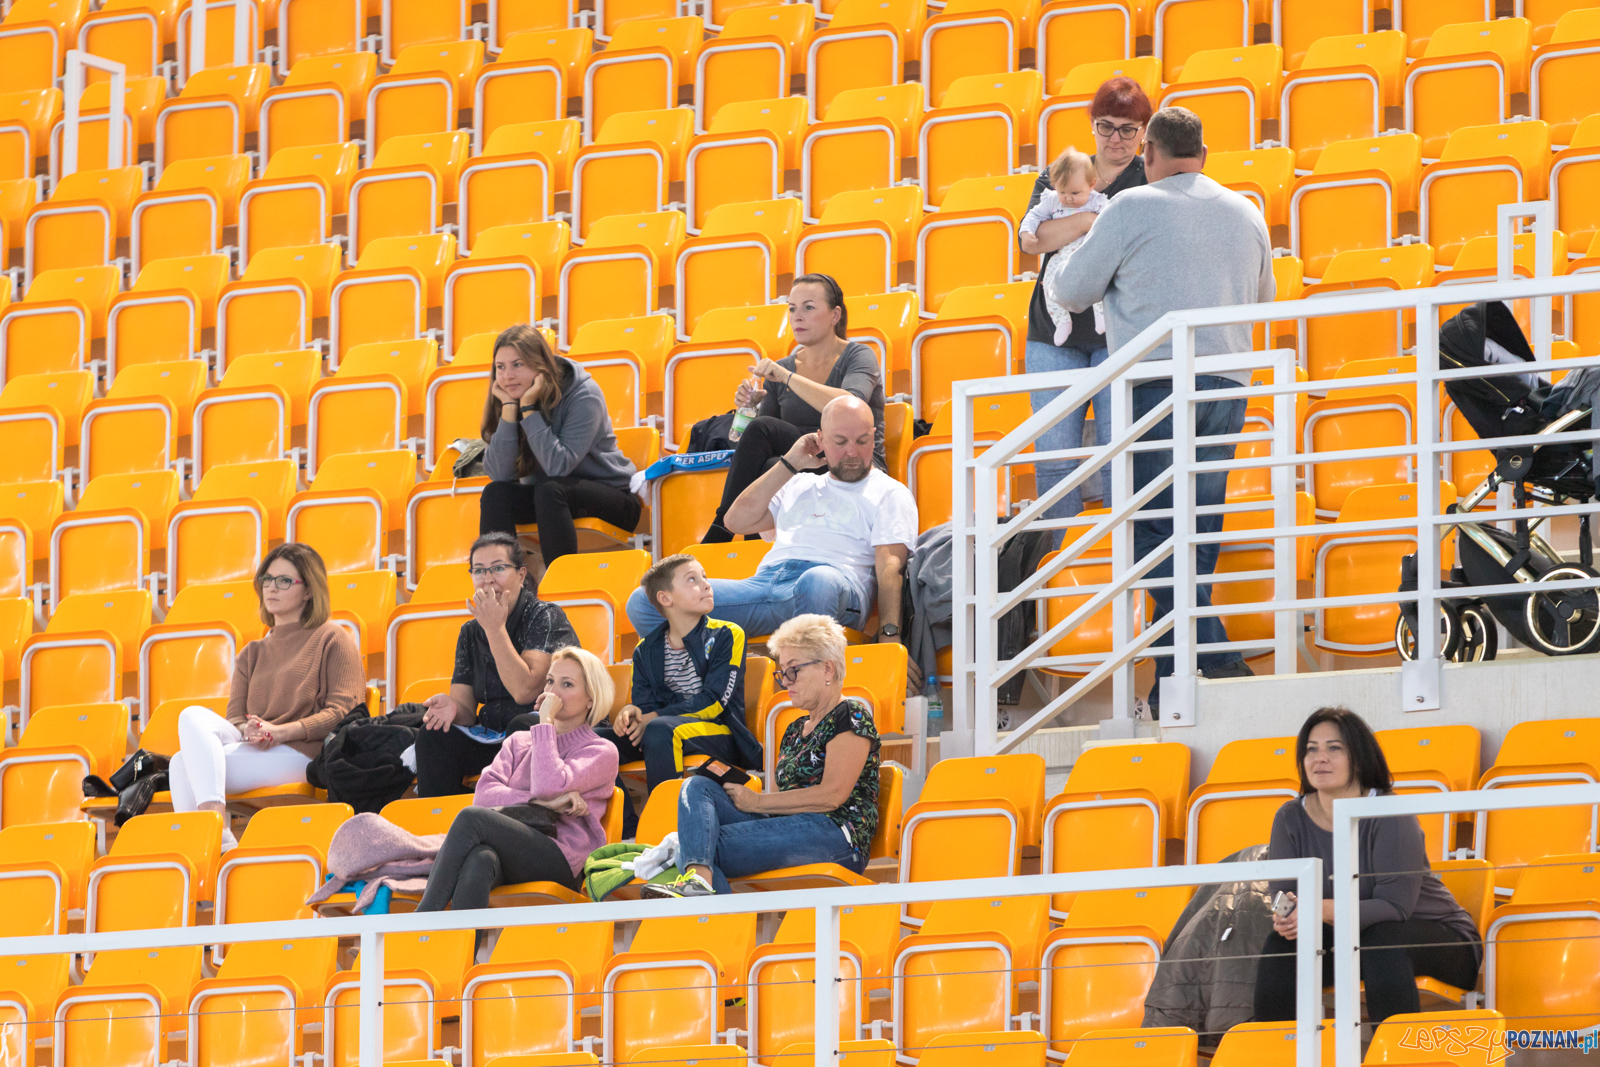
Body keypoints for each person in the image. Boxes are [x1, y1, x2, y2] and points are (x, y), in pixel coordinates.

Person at [1049, 105, 1274, 712]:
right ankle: (1177, 677)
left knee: (1154, 530)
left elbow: (1072, 292)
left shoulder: (1130, 206)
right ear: (1203, 155)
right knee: (1196, 529)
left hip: (1155, 381)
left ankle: (1213, 657)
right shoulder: (1246, 210)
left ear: (1148, 154)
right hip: (1226, 382)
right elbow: (1264, 298)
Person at [624, 396, 919, 667]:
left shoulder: (891, 492)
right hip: (767, 584)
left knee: (818, 580)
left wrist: (890, 636)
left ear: (873, 437)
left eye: (863, 441)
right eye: (840, 442)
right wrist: (790, 463)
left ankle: (808, 686)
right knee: (647, 600)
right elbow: (735, 521)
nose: (852, 452)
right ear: (820, 439)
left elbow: (890, 567)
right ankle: (699, 682)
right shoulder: (799, 482)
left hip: (834, 585)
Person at [1253, 707, 1482, 1027]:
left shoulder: (1390, 813)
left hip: (1440, 941)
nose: (1320, 758)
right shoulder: (1289, 817)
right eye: (1311, 749)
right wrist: (1288, 917)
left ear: (1359, 758)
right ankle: (1276, 1048)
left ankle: (1396, 1051)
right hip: (1352, 943)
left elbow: (1394, 907)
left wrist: (1314, 909)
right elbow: (1282, 893)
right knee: (1282, 945)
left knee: (1381, 938)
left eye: (1334, 748)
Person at [643, 614, 878, 896]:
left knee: (694, 848)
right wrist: (748, 799)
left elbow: (832, 796)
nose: (785, 681)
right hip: (791, 826)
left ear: (828, 669)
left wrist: (756, 801)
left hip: (837, 834)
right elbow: (777, 805)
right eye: (782, 672)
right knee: (697, 787)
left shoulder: (850, 714)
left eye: (794, 670)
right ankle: (700, 885)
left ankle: (708, 898)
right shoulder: (793, 729)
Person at [169, 543, 364, 851]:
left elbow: (343, 713)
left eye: (284, 580)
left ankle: (213, 845)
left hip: (303, 752)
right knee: (187, 732)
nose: (271, 588)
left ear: (309, 590)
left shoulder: (333, 638)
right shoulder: (251, 653)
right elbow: (234, 718)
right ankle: (219, 843)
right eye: (267, 579)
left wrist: (280, 732)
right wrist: (248, 729)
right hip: (257, 750)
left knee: (184, 766)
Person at [1021, 77, 1153, 531]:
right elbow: (1033, 241)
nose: (1116, 138)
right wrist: (1088, 221)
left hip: (1119, 329)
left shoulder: (1150, 178)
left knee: (1121, 455)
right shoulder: (1064, 170)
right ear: (1092, 124)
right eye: (1106, 126)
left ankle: (1120, 555)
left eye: (1128, 129)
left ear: (1144, 132)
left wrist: (1073, 224)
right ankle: (1062, 560)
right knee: (1054, 460)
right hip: (1052, 333)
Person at [416, 646, 619, 911]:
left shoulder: (600, 751)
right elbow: (483, 796)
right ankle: (460, 939)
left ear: (591, 699)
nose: (553, 692)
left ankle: (421, 920)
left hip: (562, 858)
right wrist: (541, 804)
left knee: (470, 818)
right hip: (511, 847)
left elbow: (547, 786)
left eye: (567, 684)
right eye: (550, 681)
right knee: (480, 859)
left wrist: (545, 722)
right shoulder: (519, 742)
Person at [703, 274, 887, 543]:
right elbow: (760, 439)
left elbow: (849, 408)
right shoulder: (782, 368)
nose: (797, 317)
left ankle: (720, 534)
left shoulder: (859, 356)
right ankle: (741, 543)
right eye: (792, 309)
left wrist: (788, 378)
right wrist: (749, 409)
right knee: (766, 458)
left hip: (851, 457)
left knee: (772, 465)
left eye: (808, 307)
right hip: (802, 460)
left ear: (835, 315)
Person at [599, 554, 764, 835]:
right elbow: (645, 705)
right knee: (596, 741)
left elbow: (714, 701)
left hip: (719, 733)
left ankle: (669, 831)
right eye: (692, 580)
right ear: (665, 598)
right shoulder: (645, 649)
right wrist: (633, 714)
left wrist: (653, 717)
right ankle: (628, 828)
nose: (707, 585)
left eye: (704, 577)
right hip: (663, 730)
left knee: (661, 729)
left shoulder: (727, 634)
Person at [414, 532, 580, 797]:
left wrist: (494, 629)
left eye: (498, 568)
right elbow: (467, 711)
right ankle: (444, 818)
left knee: (522, 728)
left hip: (549, 730)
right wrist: (452, 709)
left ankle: (519, 814)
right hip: (494, 735)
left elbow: (525, 690)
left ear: (521, 575)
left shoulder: (545, 616)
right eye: (479, 570)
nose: (488, 578)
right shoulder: (470, 631)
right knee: (433, 736)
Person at [479, 323, 641, 569]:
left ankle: (562, 584)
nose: (507, 376)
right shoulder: (508, 398)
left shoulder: (584, 394)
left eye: (517, 365)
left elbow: (558, 466)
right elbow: (500, 474)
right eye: (500, 367)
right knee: (495, 493)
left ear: (540, 365)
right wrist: (510, 410)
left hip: (613, 499)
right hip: (549, 499)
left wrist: (529, 409)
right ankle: (500, 582)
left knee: (550, 489)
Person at [1024, 147, 1110, 344]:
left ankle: (1101, 315)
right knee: (1048, 280)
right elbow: (1033, 216)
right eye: (1062, 191)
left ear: (1091, 185)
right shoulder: (1052, 200)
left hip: (1090, 252)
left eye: (1075, 192)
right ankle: (1062, 321)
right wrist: (1026, 232)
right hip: (1063, 255)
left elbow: (1111, 222)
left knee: (1100, 278)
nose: (1068, 198)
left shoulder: (1097, 201)